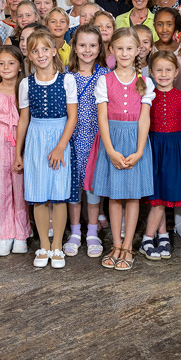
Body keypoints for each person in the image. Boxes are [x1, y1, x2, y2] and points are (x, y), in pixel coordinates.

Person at [85, 27, 155, 271]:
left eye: (129, 48)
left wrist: (140, 150)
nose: (125, 53)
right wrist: (110, 150)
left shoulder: (145, 82)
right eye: (120, 48)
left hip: (135, 142)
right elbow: (102, 118)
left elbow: (144, 118)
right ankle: (115, 244)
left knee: (133, 196)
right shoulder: (104, 81)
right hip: (112, 142)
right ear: (112, 50)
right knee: (114, 196)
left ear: (138, 50)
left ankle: (127, 246)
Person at [14, 30, 79, 269]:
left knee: (59, 195)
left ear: (53, 51)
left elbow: (72, 117)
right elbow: (23, 119)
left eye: (44, 49)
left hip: (60, 137)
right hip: (36, 139)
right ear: (29, 56)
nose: (40, 54)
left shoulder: (66, 80)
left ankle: (57, 245)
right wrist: (18, 152)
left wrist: (61, 147)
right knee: (39, 195)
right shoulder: (26, 84)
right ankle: (43, 244)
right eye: (35, 50)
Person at [141, 51, 181, 260]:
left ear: (176, 72)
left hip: (174, 148)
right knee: (156, 195)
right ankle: (156, 236)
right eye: (159, 70)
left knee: (165, 194)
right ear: (151, 72)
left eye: (168, 70)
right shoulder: (148, 96)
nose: (163, 74)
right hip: (153, 146)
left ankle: (156, 235)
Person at [0, 45, 30, 256]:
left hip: (20, 139)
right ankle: (4, 234)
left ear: (20, 66)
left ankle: (21, 233)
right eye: (1, 63)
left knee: (20, 188)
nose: (6, 67)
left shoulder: (25, 90)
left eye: (11, 63)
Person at [67, 26, 110, 258]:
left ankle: (92, 232)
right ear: (74, 47)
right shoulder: (66, 75)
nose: (87, 50)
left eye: (93, 45)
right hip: (72, 140)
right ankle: (75, 232)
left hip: (96, 139)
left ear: (99, 47)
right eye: (82, 45)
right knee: (73, 189)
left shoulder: (106, 75)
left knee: (93, 187)